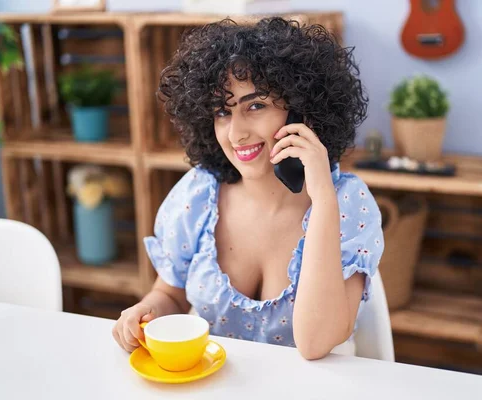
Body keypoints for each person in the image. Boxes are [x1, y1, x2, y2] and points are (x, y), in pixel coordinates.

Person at [112, 16, 384, 360]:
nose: (235, 133)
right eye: (221, 112)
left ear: (303, 112)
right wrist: (145, 313)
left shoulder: (347, 203)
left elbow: (314, 344)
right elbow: (172, 296)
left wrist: (323, 201)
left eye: (255, 106)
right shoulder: (197, 195)